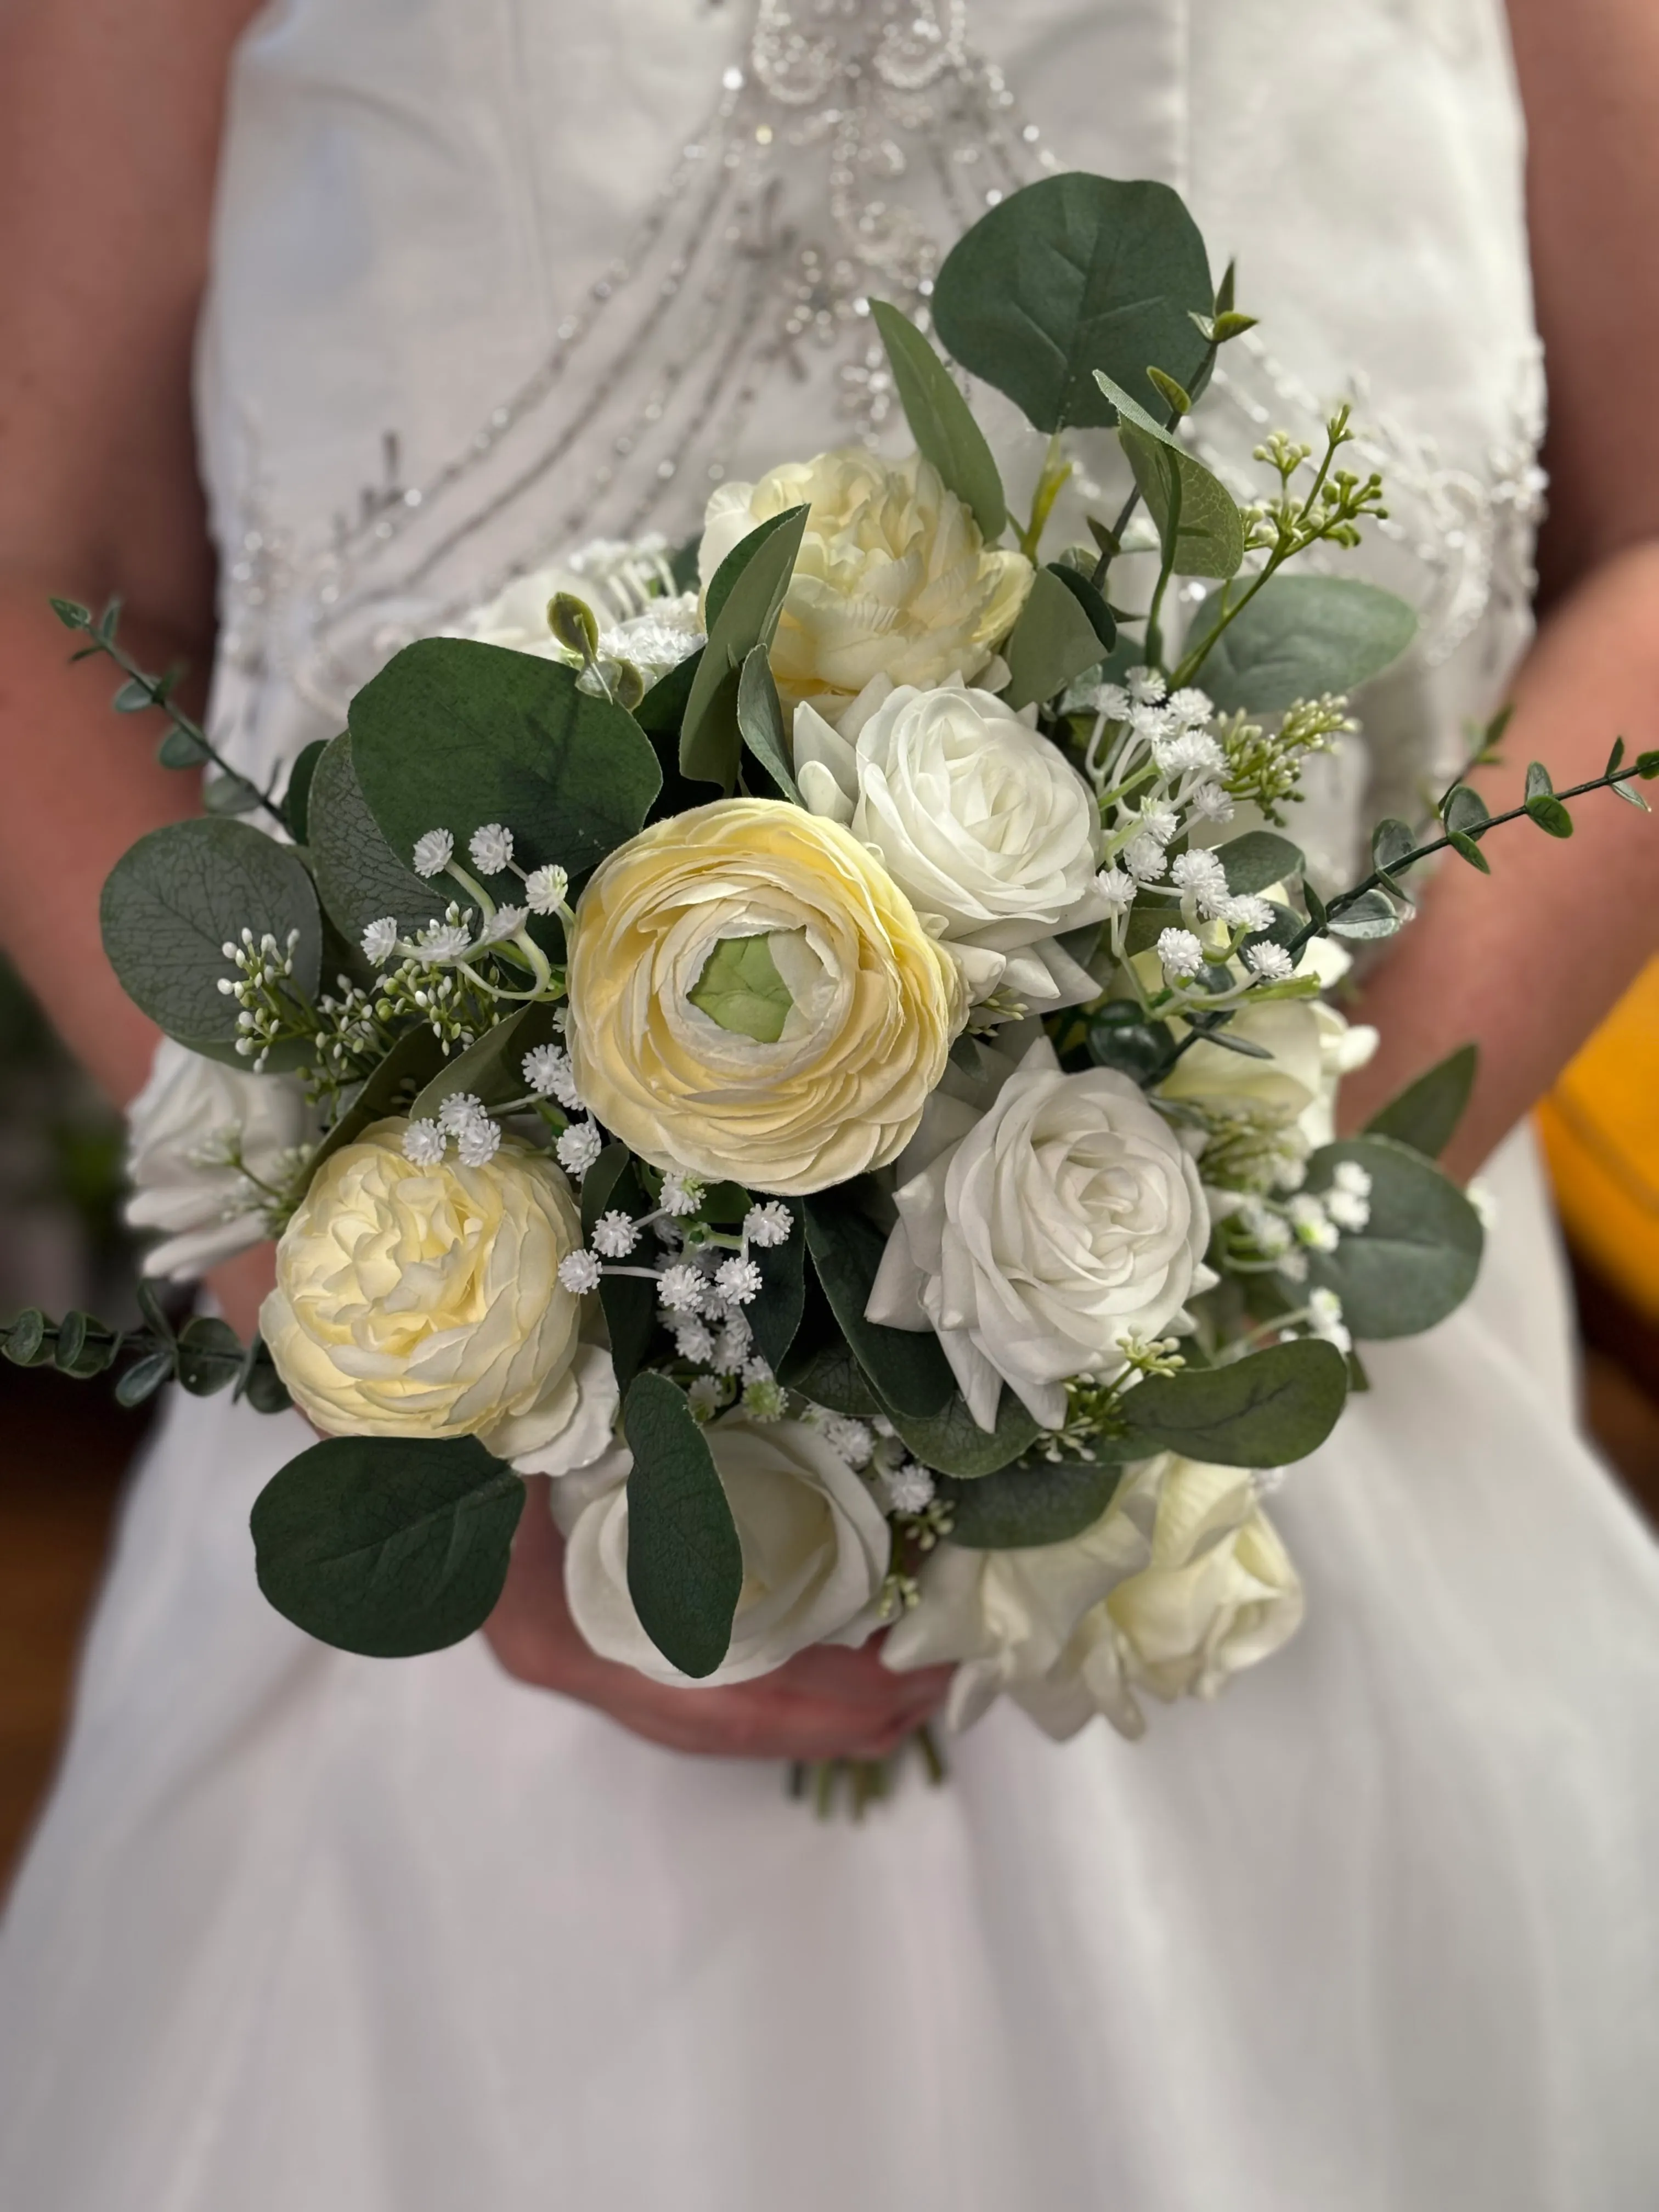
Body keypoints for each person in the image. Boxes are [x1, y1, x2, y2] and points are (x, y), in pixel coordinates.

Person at [1, 1, 1656, 2203]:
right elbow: (42, 567)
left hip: (1312, 1478)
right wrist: (390, 1320)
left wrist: (1227, 1209)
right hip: (443, 1535)